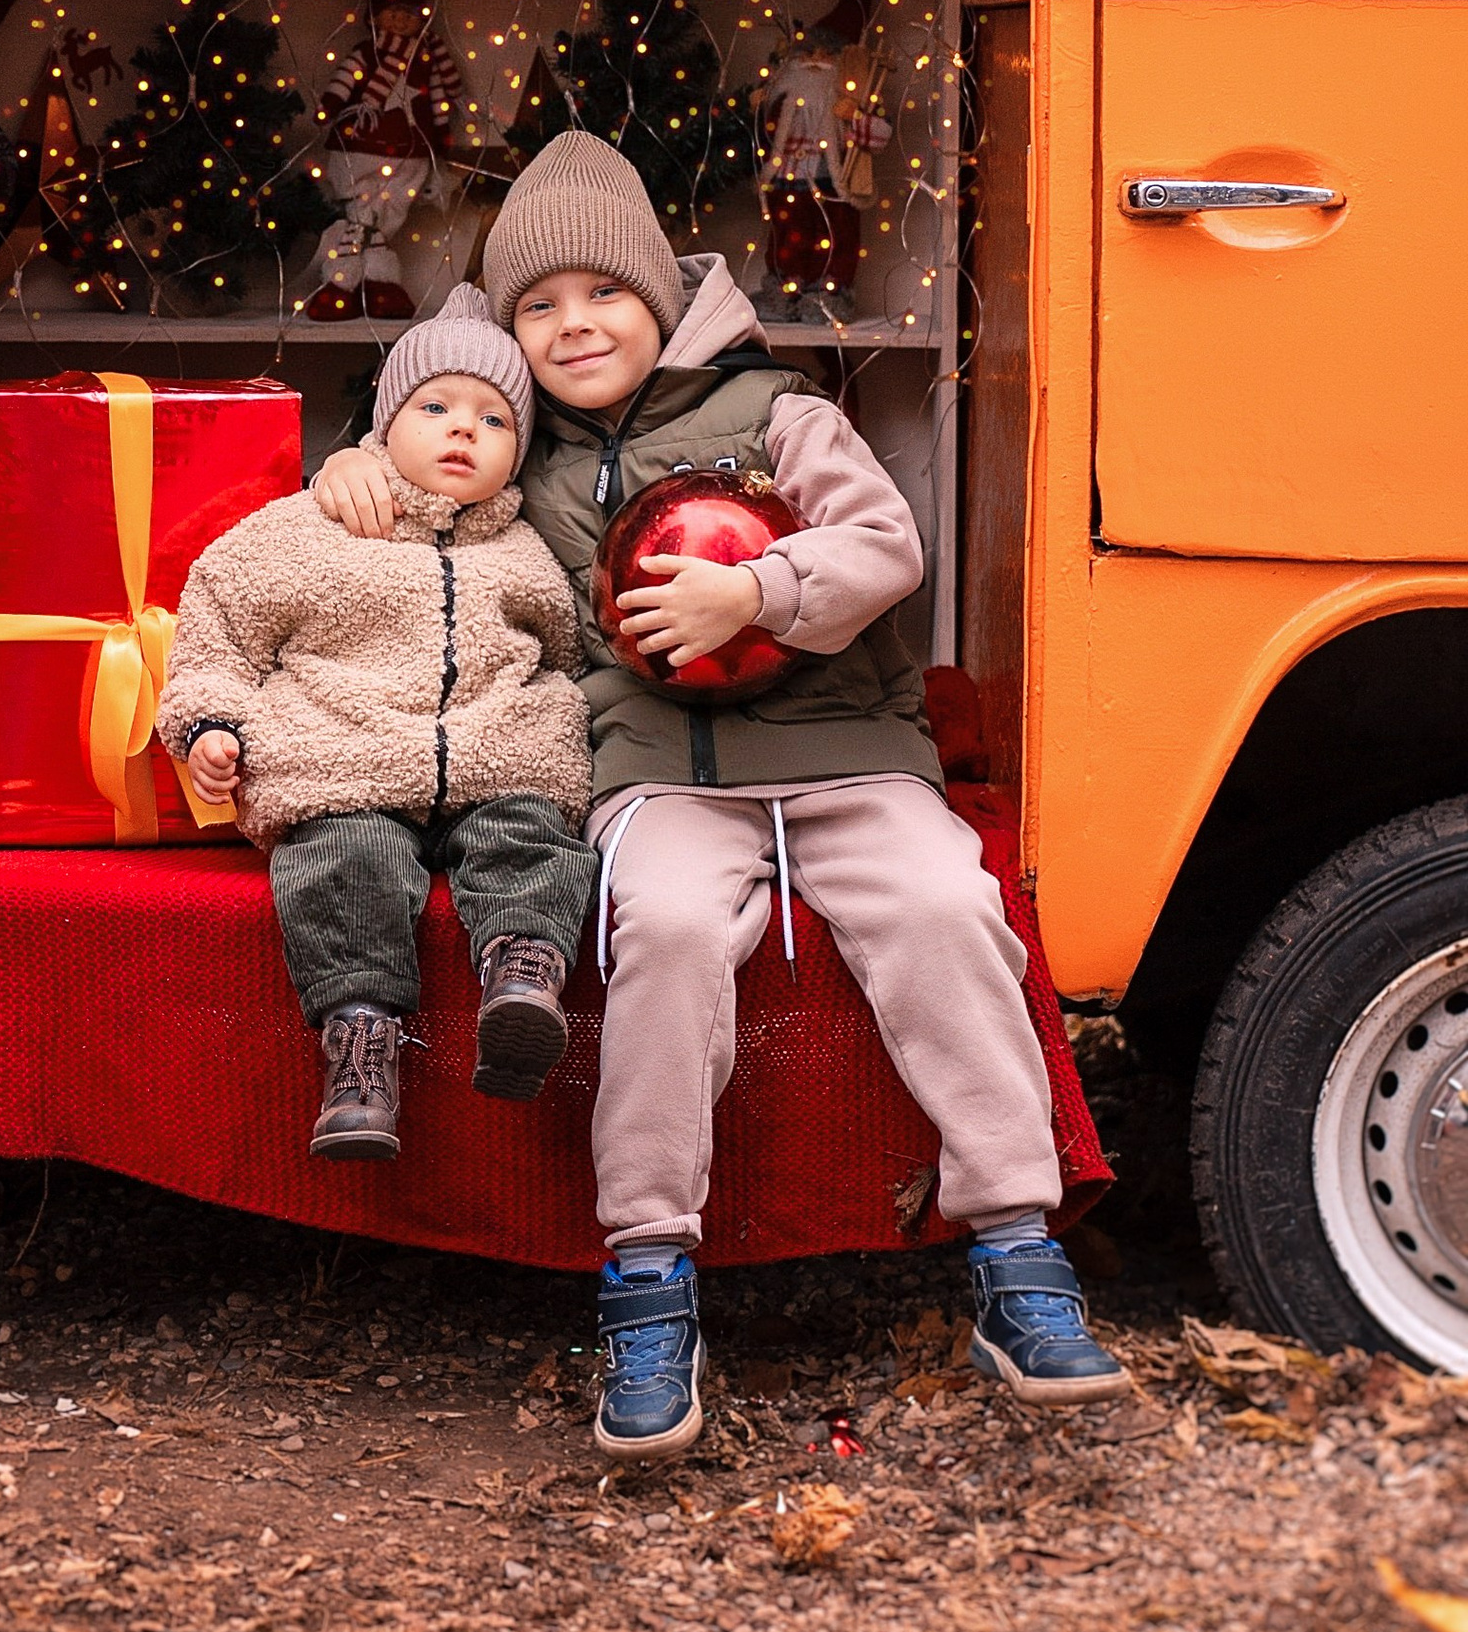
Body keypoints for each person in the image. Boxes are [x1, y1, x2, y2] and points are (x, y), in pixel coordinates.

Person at [310, 128, 1127, 1457]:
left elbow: (886, 545)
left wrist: (755, 591)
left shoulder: (777, 413)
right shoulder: (517, 445)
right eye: (539, 305)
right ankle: (647, 1273)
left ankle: (1015, 1248)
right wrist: (351, 464)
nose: (576, 324)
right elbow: (424, 459)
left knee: (944, 907)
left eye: (604, 292)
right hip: (658, 777)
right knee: (667, 931)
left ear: (662, 299)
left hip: (844, 751)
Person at [156, 284, 598, 1164]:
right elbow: (219, 628)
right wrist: (210, 723)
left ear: (520, 452)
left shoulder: (529, 551)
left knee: (531, 835)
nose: (463, 430)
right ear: (385, 423)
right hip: (346, 762)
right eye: (435, 408)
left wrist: (552, 727)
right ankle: (360, 1041)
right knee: (343, 862)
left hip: (496, 758)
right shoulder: (310, 528)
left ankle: (523, 972)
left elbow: (568, 654)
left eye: (494, 420)